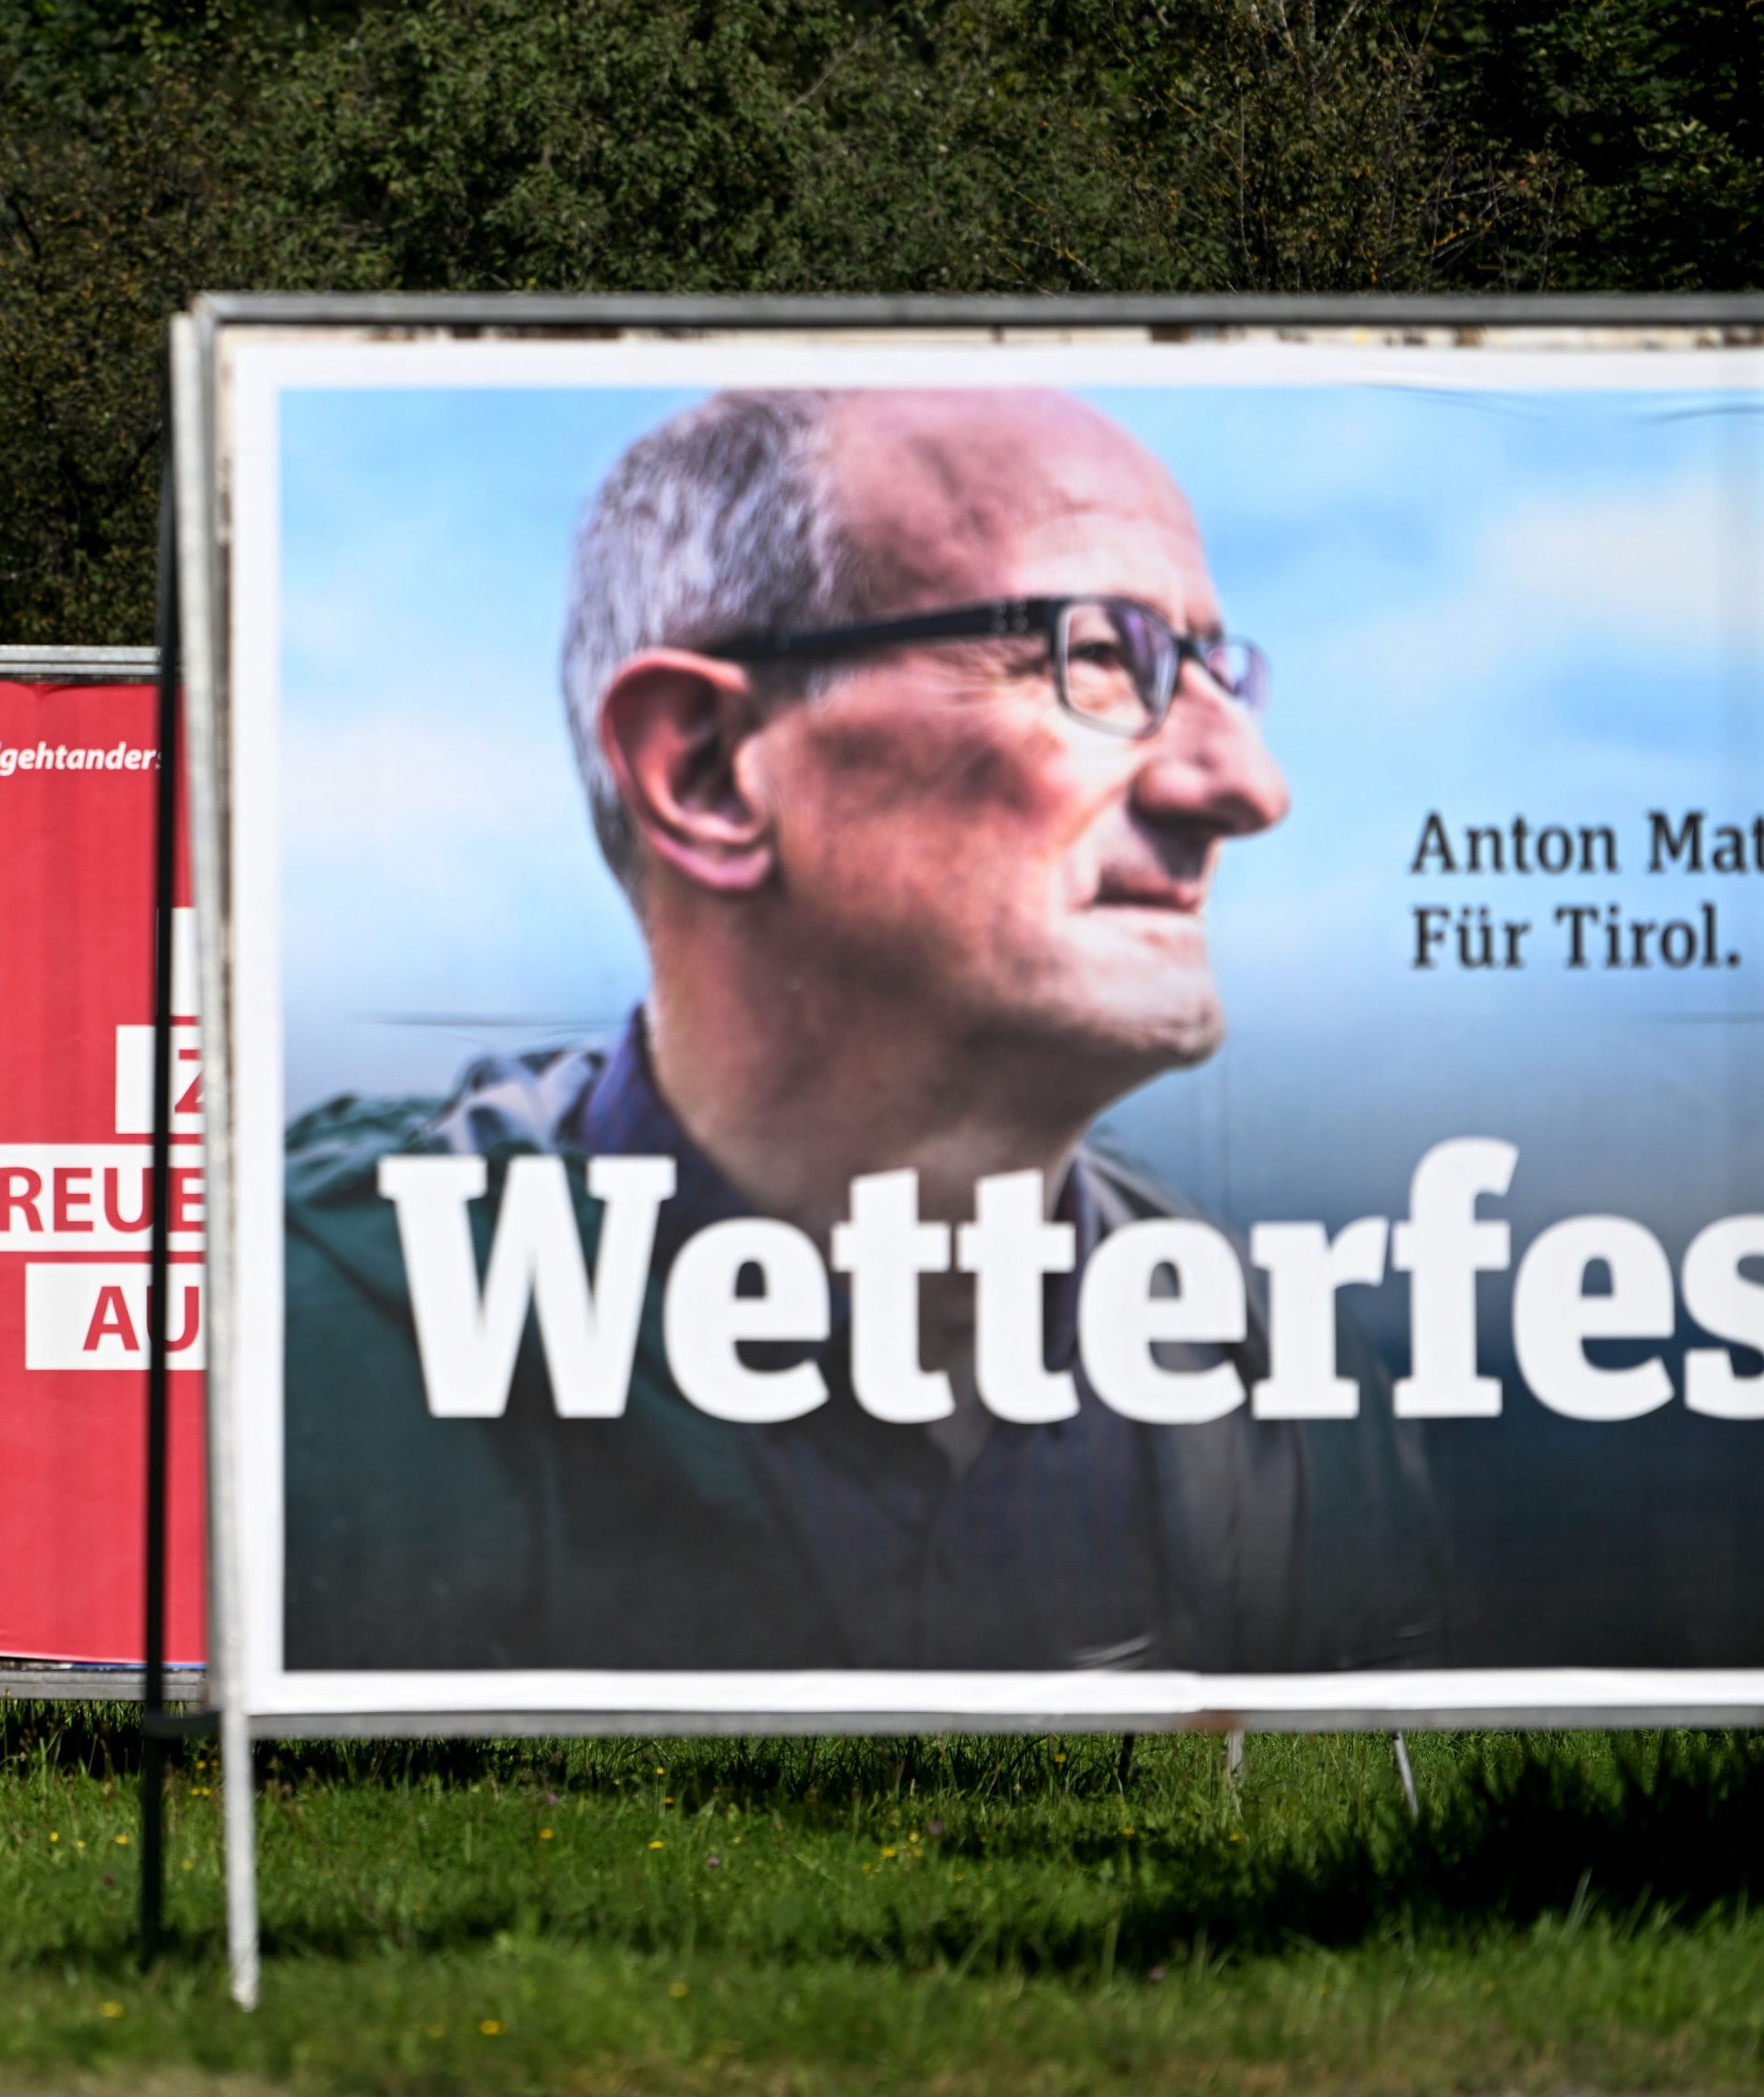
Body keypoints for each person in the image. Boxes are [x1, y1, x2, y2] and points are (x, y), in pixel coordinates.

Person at [284, 388, 1446, 1674]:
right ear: (709, 771)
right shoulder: (314, 1361)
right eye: (1097, 658)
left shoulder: (1293, 1395)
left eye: (1217, 674)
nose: (1241, 788)